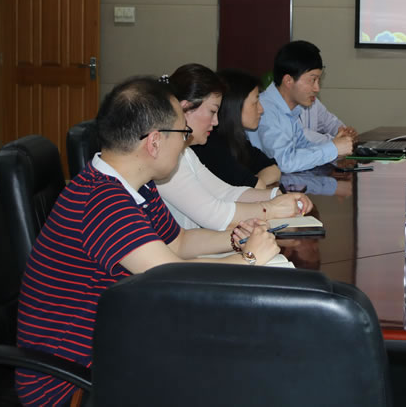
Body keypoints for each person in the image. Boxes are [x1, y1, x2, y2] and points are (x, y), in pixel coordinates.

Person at [15, 77, 281, 407]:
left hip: (114, 345)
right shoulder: (103, 202)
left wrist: (235, 238)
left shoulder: (133, 185)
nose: (185, 142)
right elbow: (173, 283)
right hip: (69, 383)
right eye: (182, 133)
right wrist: (249, 259)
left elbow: (179, 242)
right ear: (154, 142)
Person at [156, 64, 312, 230]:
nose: (216, 121)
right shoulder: (165, 156)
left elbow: (226, 192)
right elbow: (214, 214)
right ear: (184, 108)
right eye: (212, 111)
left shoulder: (186, 153)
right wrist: (272, 208)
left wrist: (278, 195)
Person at [248, 40, 354, 173]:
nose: (317, 88)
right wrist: (333, 148)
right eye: (312, 80)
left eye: (318, 80)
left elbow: (303, 147)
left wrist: (334, 145)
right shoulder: (265, 110)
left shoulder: (290, 110)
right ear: (288, 80)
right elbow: (284, 162)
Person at [192, 68, 281, 188]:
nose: (261, 109)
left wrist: (256, 184)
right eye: (255, 103)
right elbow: (252, 184)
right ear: (234, 105)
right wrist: (256, 184)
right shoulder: (210, 143)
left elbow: (273, 169)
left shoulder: (235, 139)